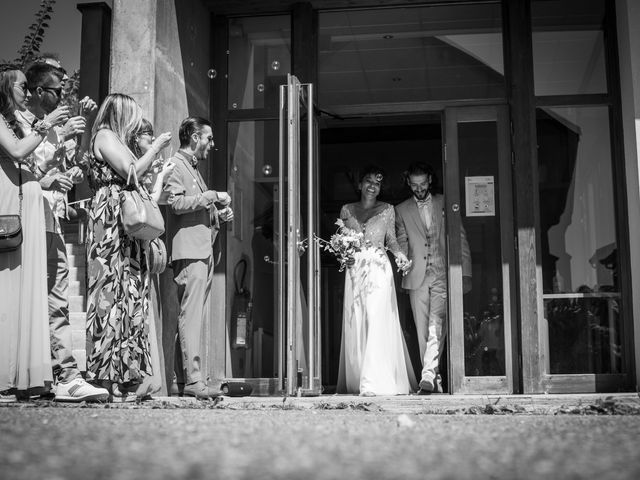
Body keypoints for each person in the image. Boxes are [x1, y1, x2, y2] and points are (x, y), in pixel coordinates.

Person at [14, 61, 109, 402]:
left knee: (56, 298)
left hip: (51, 218)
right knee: (32, 301)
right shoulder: (18, 124)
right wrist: (46, 176)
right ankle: (36, 375)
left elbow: (75, 168)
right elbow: (16, 171)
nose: (63, 96)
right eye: (57, 91)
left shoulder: (54, 128)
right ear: (39, 91)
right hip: (25, 220)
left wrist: (75, 140)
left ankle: (66, 375)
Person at [85, 93, 172, 399]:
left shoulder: (117, 140)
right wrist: (157, 147)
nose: (136, 122)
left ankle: (125, 374)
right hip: (110, 220)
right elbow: (131, 171)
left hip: (125, 223)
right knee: (109, 293)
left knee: (128, 292)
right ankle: (103, 375)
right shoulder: (105, 136)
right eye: (132, 115)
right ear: (121, 114)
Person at [0, 66, 68, 399]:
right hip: (12, 207)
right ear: (5, 88)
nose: (28, 93)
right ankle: (5, 377)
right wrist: (49, 127)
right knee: (11, 295)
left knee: (28, 296)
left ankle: (26, 377)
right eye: (23, 87)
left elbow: (30, 166)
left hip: (30, 206)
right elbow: (15, 151)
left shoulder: (19, 123)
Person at [162, 116, 233, 399]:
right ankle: (193, 381)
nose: (212, 144)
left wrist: (219, 215)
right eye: (209, 138)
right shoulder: (176, 165)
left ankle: (190, 380)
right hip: (189, 253)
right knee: (190, 318)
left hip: (201, 250)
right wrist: (212, 196)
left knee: (193, 318)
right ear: (194, 137)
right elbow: (175, 203)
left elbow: (197, 207)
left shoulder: (192, 168)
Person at [336, 166, 416, 396]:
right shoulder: (347, 210)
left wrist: (400, 255)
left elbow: (391, 239)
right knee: (358, 319)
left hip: (379, 268)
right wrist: (343, 252)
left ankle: (373, 381)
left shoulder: (388, 210)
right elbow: (340, 240)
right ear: (359, 185)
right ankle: (359, 376)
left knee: (376, 317)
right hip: (354, 269)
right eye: (368, 181)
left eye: (377, 183)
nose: (372, 186)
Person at [395, 162, 472, 394]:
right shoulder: (401, 209)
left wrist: (465, 271)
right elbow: (402, 239)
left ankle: (427, 372)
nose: (419, 189)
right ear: (409, 183)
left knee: (435, 325)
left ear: (430, 179)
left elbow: (459, 236)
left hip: (441, 273)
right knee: (422, 329)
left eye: (423, 184)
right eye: (414, 185)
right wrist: (402, 259)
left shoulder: (445, 201)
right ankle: (433, 378)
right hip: (417, 275)